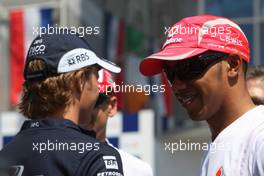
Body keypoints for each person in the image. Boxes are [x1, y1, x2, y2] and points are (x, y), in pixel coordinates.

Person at [139, 14, 264, 175]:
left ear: (233, 65)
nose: (177, 85)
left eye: (188, 68)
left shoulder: (258, 138)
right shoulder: (217, 146)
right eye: (170, 73)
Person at [0, 32, 124, 176]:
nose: (97, 87)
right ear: (80, 80)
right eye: (96, 76)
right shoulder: (96, 156)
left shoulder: (5, 156)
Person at [83, 69, 154, 176]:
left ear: (112, 106)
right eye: (78, 100)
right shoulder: (52, 158)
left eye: (94, 102)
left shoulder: (138, 170)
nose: (83, 110)